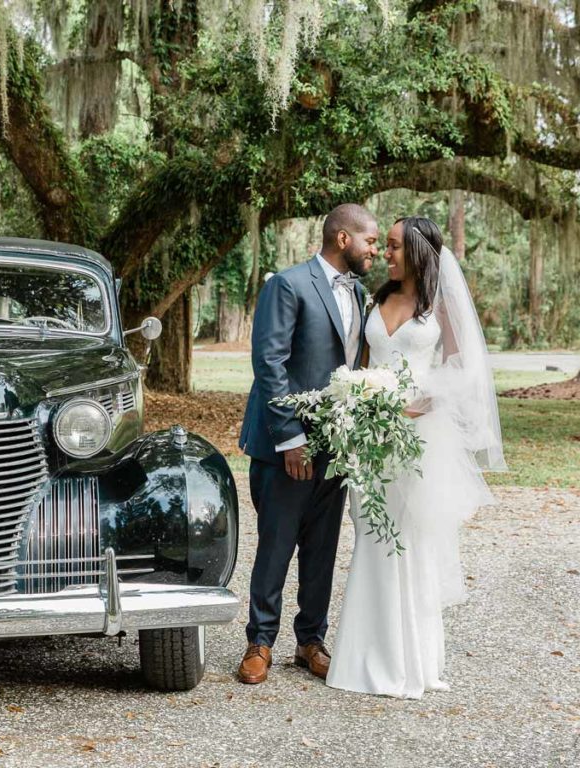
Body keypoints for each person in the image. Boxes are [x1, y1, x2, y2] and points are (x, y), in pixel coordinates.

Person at [326, 216, 506, 699]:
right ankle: (362, 658)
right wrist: (358, 401)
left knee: (407, 542)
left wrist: (423, 403)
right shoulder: (378, 299)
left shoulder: (438, 307)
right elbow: (361, 364)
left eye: (394, 247)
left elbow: (466, 371)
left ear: (420, 251)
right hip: (371, 438)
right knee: (371, 537)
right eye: (383, 245)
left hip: (417, 441)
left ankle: (412, 662)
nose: (385, 254)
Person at [237, 203, 379, 684]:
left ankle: (310, 642)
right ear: (344, 239)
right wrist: (290, 437)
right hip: (287, 446)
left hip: (334, 445)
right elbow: (270, 363)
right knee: (276, 546)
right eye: (371, 241)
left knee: (322, 549)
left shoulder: (360, 294)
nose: (375, 251)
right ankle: (260, 642)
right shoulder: (288, 284)